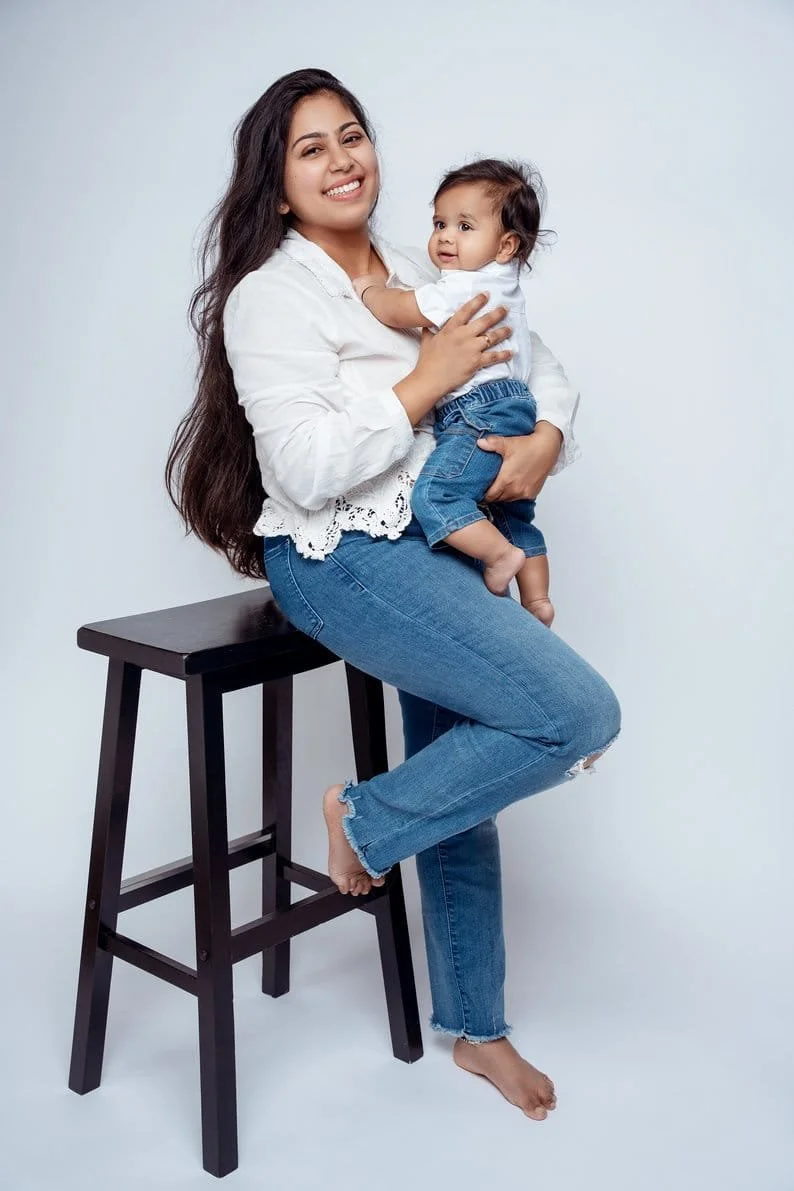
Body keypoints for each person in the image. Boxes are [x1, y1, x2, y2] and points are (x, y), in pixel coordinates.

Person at [166, 67, 621, 1123]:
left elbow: (538, 366)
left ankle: (478, 1030)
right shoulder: (267, 299)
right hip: (336, 556)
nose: (343, 160)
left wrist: (545, 436)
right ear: (277, 187)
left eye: (352, 136)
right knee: (571, 713)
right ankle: (364, 818)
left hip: (432, 546)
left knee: (466, 762)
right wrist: (422, 381)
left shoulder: (426, 268)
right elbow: (307, 468)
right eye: (311, 148)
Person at [352, 157, 555, 624]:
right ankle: (539, 598)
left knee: (436, 498)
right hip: (515, 409)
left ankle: (501, 558)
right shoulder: (505, 286)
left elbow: (403, 309)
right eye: (440, 223)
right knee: (512, 512)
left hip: (477, 411)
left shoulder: (463, 288)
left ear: (506, 245)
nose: (445, 237)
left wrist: (369, 291)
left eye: (465, 226)